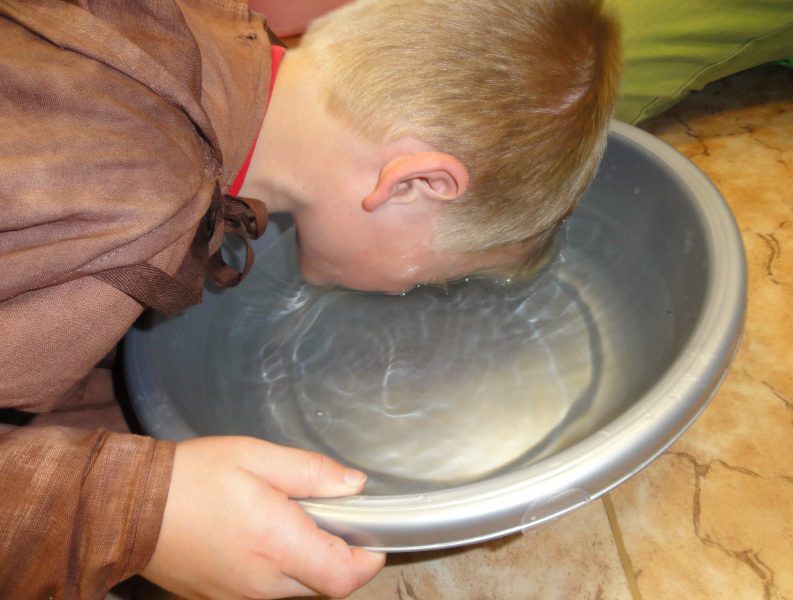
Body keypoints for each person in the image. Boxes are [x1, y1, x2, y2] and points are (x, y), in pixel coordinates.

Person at [0, 0, 621, 598]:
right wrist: (128, 516)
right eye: (433, 275)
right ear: (415, 183)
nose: (410, 289)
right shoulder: (137, 206)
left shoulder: (202, 37)